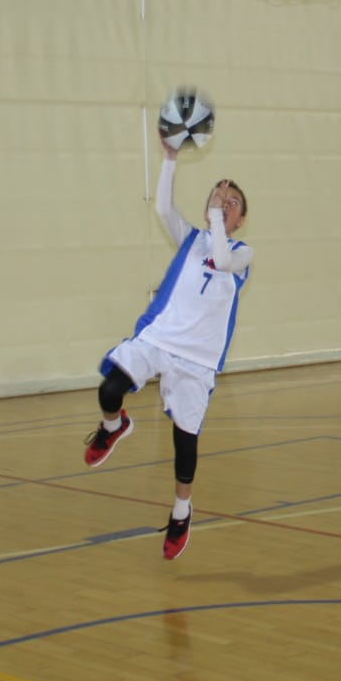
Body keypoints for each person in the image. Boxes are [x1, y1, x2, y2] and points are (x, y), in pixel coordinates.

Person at [80, 133, 252, 560]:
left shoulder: (241, 253)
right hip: (159, 338)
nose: (224, 204)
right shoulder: (190, 239)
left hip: (197, 359)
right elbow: (161, 208)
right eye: (219, 198)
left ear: (240, 219)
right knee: (108, 390)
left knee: (184, 444)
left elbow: (222, 261)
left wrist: (217, 218)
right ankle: (114, 426)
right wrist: (171, 158)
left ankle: (180, 512)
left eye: (232, 203)